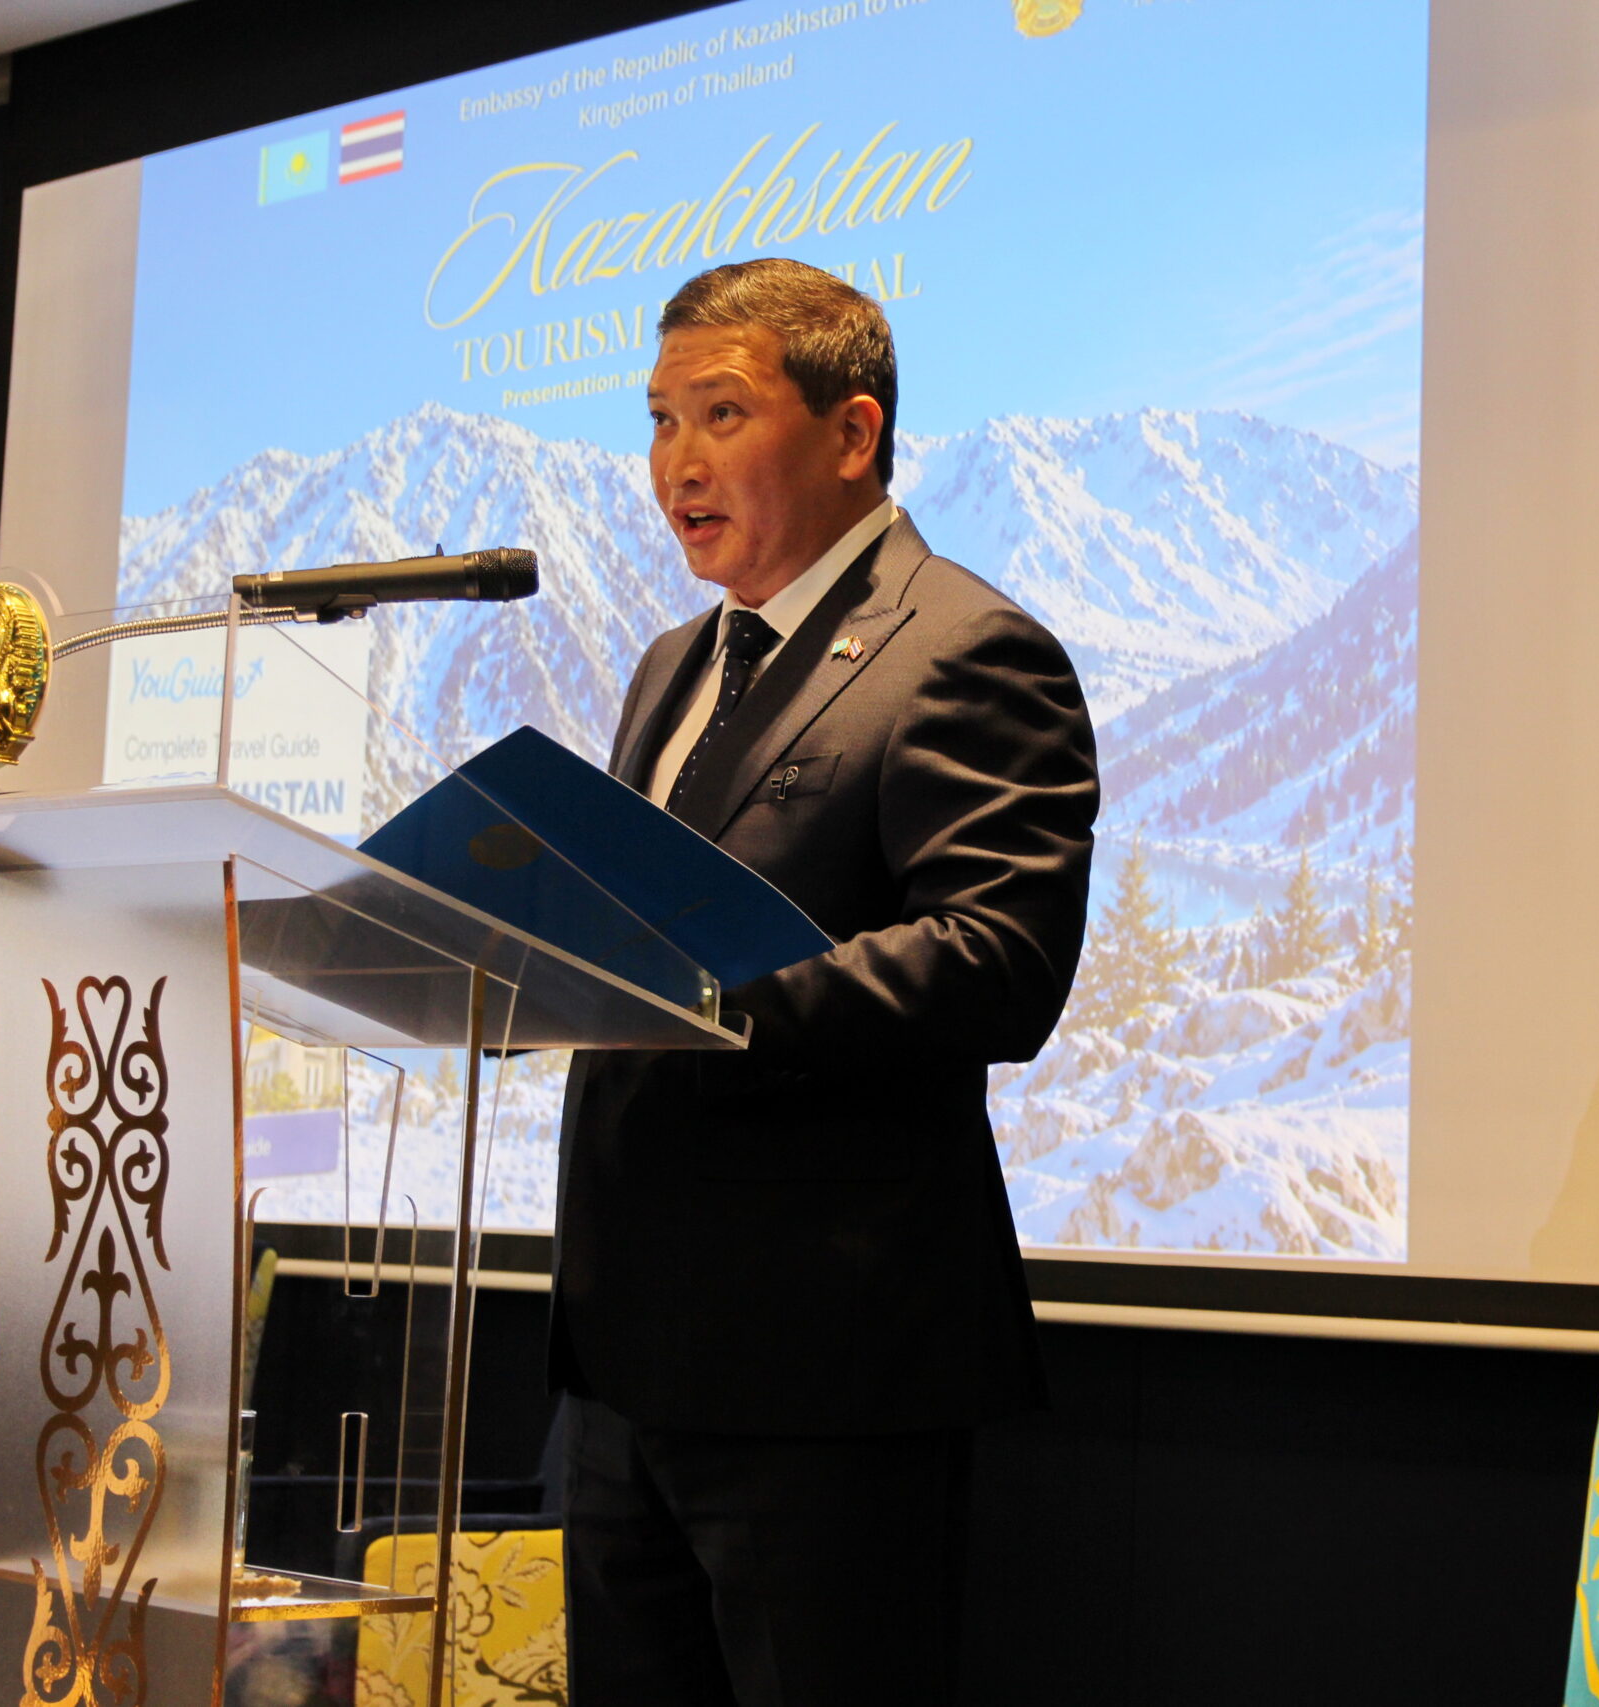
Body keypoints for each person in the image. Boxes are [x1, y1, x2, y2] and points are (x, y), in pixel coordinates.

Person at [549, 257, 1099, 1705]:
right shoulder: (671, 664)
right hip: (621, 1366)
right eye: (659, 419)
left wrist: (703, 996)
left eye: (720, 413)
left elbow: (1000, 962)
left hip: (823, 1372)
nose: (676, 461)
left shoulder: (968, 651)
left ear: (853, 433)